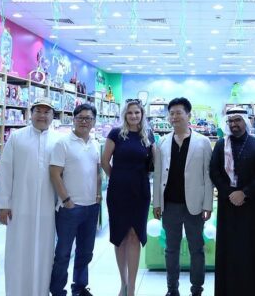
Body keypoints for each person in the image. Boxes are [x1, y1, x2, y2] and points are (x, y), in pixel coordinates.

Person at [0, 97, 60, 296]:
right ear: (31, 114)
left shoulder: (59, 140)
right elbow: (6, 171)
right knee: (18, 251)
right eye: (38, 111)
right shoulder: (17, 137)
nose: (42, 115)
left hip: (48, 208)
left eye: (46, 112)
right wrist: (3, 204)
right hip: (20, 207)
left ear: (52, 116)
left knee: (44, 253)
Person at [153, 97, 213, 296]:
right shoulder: (162, 142)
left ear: (188, 115)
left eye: (179, 113)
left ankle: (197, 290)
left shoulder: (203, 142)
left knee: (197, 249)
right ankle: (172, 289)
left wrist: (208, 204)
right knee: (171, 250)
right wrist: (157, 203)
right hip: (170, 205)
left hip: (194, 205)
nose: (174, 117)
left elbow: (208, 175)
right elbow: (158, 175)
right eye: (171, 113)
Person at [209, 106, 255, 296]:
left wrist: (244, 193)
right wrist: (229, 193)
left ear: (245, 122)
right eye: (230, 121)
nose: (234, 124)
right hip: (227, 205)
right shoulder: (221, 145)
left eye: (237, 120)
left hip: (252, 205)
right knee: (229, 250)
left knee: (252, 249)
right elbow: (214, 172)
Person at [102, 99, 155, 296]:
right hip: (118, 192)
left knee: (134, 236)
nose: (134, 116)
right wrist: (117, 178)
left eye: (137, 113)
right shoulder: (116, 134)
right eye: (130, 113)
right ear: (125, 114)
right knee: (120, 237)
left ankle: (131, 287)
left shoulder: (148, 135)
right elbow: (104, 161)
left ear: (142, 115)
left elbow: (154, 163)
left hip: (140, 192)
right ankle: (123, 284)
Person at [49, 103, 102, 296]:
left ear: (94, 122)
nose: (84, 121)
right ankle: (57, 290)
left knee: (85, 252)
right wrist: (66, 200)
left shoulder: (95, 144)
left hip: (91, 207)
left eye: (88, 118)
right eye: (80, 118)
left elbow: (97, 172)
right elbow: (55, 173)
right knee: (63, 253)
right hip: (69, 208)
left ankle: (79, 288)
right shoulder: (63, 143)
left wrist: (98, 195)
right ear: (74, 120)